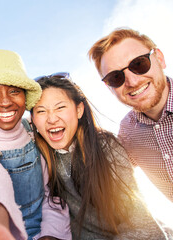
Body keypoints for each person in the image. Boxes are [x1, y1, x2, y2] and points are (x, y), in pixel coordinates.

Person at [30, 75, 165, 239]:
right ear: (33, 120)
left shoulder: (105, 148)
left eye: (60, 108)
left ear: (79, 110)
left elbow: (145, 227)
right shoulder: (38, 152)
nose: (51, 119)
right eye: (41, 111)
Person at [0, 49, 71, 240]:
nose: (5, 102)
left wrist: (50, 235)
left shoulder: (35, 131)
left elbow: (51, 195)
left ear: (25, 96)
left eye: (14, 91)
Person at [88, 28, 173, 202]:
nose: (132, 82)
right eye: (115, 78)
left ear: (160, 59)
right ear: (109, 88)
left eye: (139, 64)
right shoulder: (127, 132)